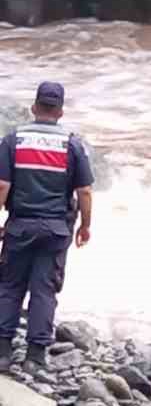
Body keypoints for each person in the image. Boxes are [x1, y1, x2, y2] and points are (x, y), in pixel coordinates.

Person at [0, 82, 94, 370]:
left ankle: (2, 352)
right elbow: (85, 191)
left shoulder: (13, 140)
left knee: (10, 285)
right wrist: (85, 226)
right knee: (44, 289)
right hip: (55, 228)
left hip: (20, 225)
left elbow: (2, 185)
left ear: (34, 107)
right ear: (61, 111)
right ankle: (35, 356)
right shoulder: (72, 144)